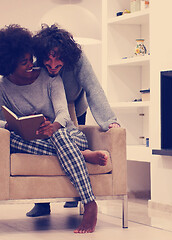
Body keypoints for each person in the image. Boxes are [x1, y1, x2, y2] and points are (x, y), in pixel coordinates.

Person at [0, 24, 98, 233]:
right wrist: (14, 125)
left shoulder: (49, 78)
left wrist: (53, 126)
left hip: (67, 135)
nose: (30, 65)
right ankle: (80, 156)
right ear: (8, 66)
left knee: (61, 137)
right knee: (9, 138)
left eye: (30, 59)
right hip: (32, 140)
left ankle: (89, 203)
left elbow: (63, 112)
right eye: (24, 62)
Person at [26, 24, 120, 216]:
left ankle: (73, 196)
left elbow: (93, 88)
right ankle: (42, 203)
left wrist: (109, 120)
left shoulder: (78, 60)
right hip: (46, 108)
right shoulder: (36, 61)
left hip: (74, 105)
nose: (52, 68)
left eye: (58, 65)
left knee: (70, 143)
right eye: (48, 64)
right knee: (48, 146)